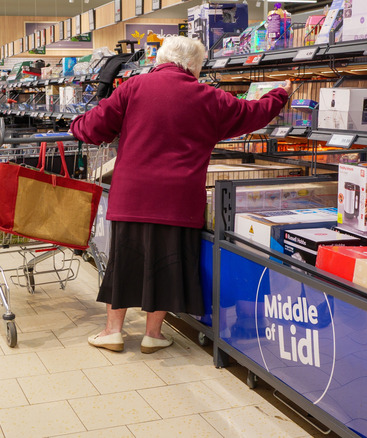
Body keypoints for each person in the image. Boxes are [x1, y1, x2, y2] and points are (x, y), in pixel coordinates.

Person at [70, 36, 290, 354]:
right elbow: (251, 113)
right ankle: (153, 335)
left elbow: (92, 128)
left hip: (133, 196)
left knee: (124, 264)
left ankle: (113, 332)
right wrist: (281, 93)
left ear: (161, 60)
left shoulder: (133, 87)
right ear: (194, 67)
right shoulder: (208, 96)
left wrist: (77, 125)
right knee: (167, 265)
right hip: (179, 201)